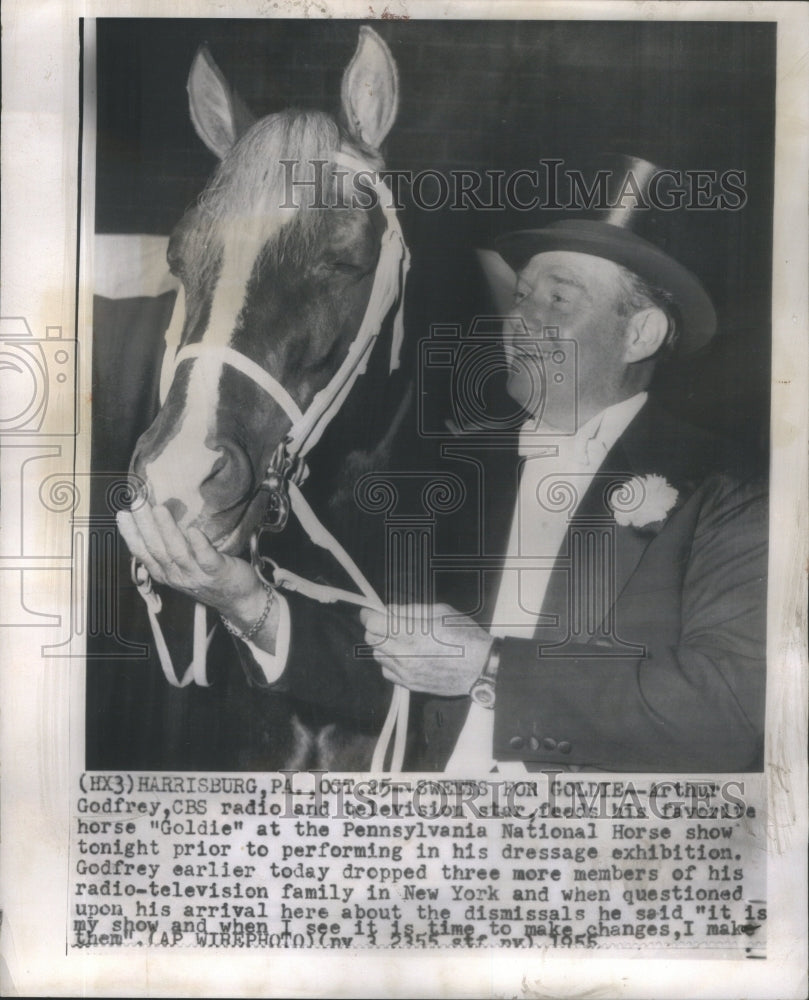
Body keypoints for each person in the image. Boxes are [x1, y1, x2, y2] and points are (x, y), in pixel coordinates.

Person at [119, 156, 768, 772]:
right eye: (521, 296)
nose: (520, 321)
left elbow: (730, 711)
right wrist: (244, 600)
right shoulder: (460, 473)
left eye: (558, 300)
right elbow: (397, 672)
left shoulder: (730, 493)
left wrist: (489, 666)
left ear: (640, 334)